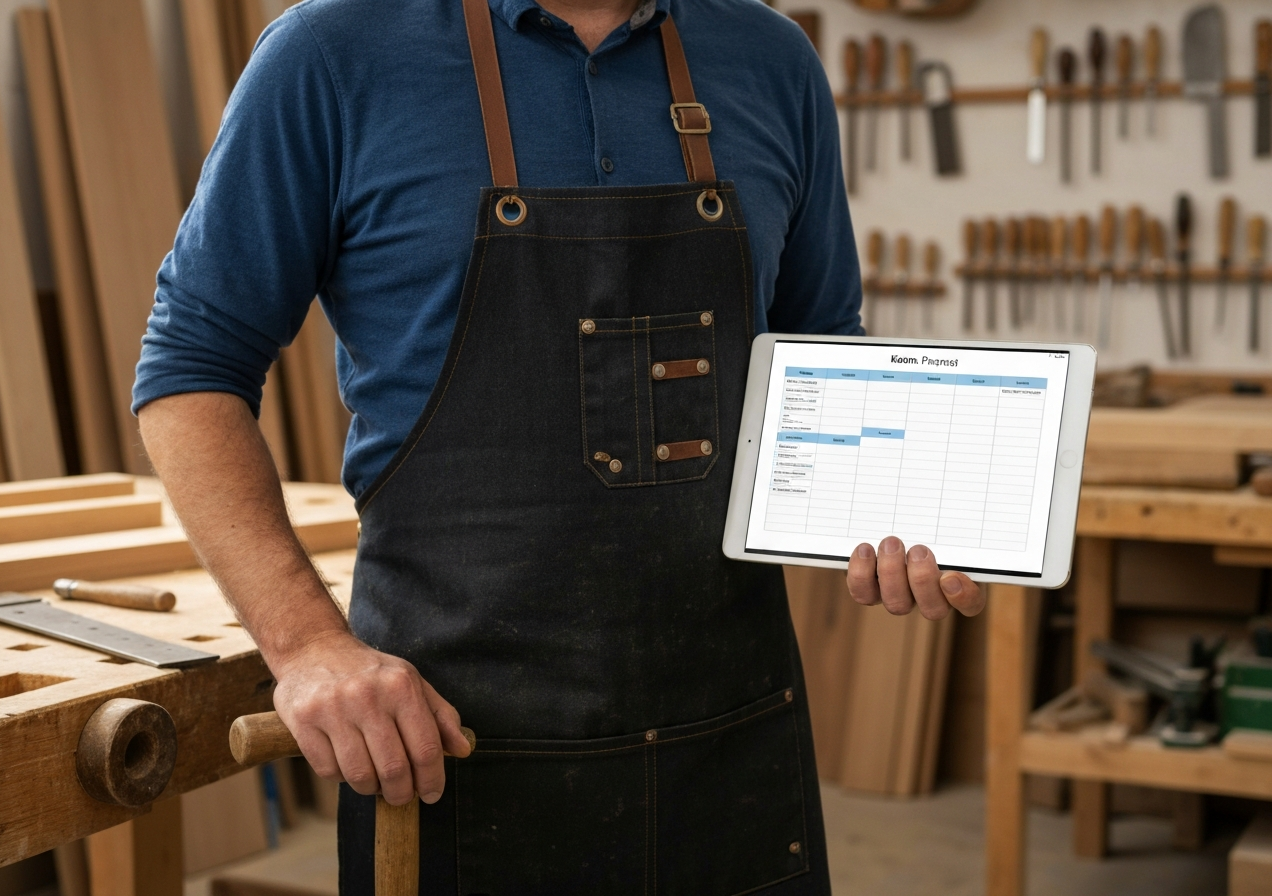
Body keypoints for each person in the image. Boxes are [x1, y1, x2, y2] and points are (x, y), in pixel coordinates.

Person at [134, 0, 984, 890]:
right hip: (451, 748)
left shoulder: (770, 57)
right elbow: (190, 369)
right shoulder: (332, 53)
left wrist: (897, 510)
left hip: (729, 746)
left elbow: (822, 346)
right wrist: (307, 649)